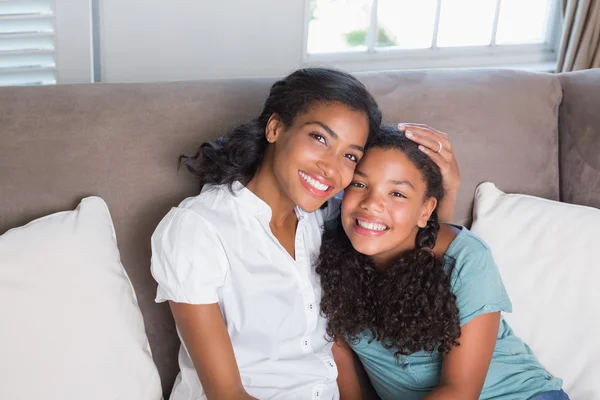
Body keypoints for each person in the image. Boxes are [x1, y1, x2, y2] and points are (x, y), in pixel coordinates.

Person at [150, 68, 459, 399]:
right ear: (275, 127)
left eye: (350, 156)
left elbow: (407, 234)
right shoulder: (198, 229)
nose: (331, 167)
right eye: (320, 138)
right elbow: (227, 395)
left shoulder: (323, 217)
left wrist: (448, 187)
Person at [316, 124, 568, 400]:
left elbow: (460, 391)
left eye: (397, 193)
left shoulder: (466, 258)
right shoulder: (326, 259)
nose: (372, 203)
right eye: (360, 184)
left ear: (425, 210)